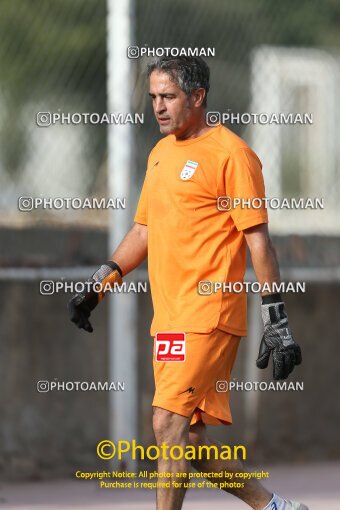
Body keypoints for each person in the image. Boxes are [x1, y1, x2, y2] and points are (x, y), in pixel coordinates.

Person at [68, 56, 307, 510]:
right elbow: (143, 231)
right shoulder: (160, 153)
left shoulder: (232, 155)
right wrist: (100, 282)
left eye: (169, 97)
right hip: (171, 319)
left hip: (209, 315)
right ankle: (276, 508)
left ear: (197, 97)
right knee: (188, 438)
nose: (158, 106)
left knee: (165, 422)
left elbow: (259, 242)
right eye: (154, 97)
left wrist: (275, 318)